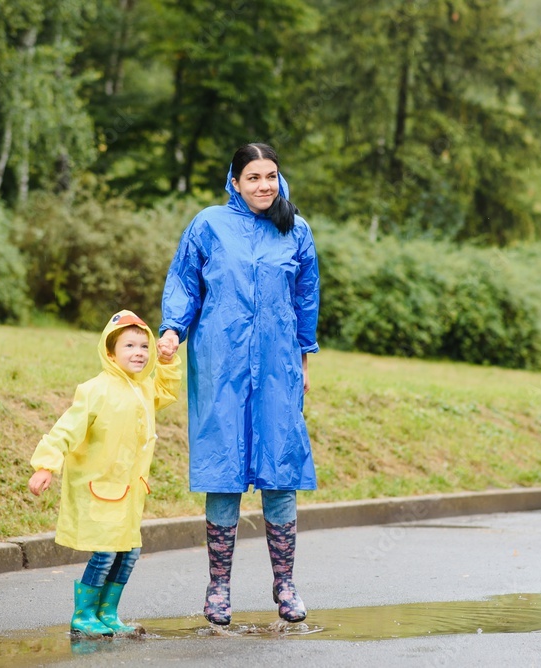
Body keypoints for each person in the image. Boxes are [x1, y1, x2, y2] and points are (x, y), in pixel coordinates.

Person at [158, 142, 320, 626]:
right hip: (220, 361)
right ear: (234, 182)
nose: (264, 185)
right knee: (223, 467)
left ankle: (286, 582)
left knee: (280, 468)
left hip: (277, 362)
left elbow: (306, 296)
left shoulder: (296, 229)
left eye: (271, 175)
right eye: (253, 177)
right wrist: (172, 328)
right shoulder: (208, 225)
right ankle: (218, 588)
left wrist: (304, 356)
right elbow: (186, 282)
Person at [28, 310, 181, 638]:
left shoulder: (143, 389)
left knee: (129, 551)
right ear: (110, 353)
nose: (139, 352)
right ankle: (83, 615)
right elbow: (65, 429)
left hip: (130, 490)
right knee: (106, 550)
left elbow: (166, 393)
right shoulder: (95, 390)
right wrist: (46, 464)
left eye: (144, 346)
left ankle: (107, 612)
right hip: (99, 487)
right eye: (129, 346)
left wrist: (167, 364)